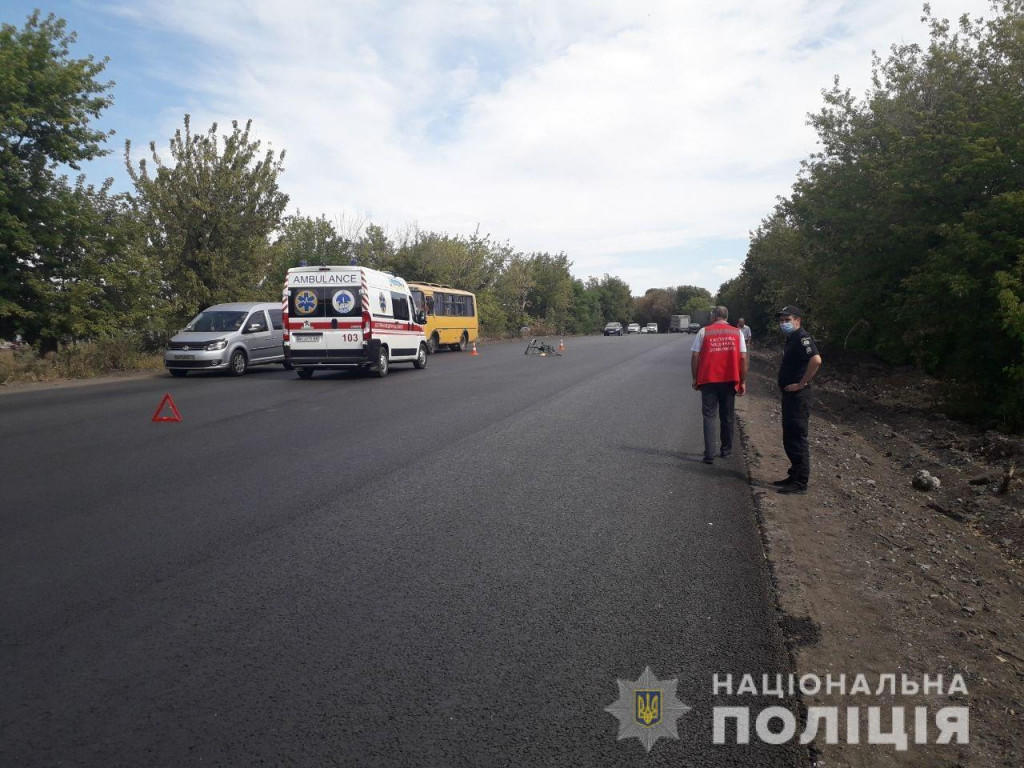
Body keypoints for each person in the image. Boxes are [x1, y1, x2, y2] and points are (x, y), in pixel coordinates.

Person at [774, 305, 822, 494]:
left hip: (798, 396)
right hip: (790, 395)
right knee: (789, 436)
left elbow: (816, 360)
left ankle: (800, 483)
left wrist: (801, 383)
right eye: (781, 320)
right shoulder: (791, 338)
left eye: (787, 320)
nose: (783, 323)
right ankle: (793, 475)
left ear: (797, 320)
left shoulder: (803, 338)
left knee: (797, 438)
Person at [691, 306, 748, 464]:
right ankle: (726, 450)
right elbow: (743, 358)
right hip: (730, 380)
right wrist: (742, 380)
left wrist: (695, 378)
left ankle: (709, 454)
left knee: (709, 416)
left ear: (714, 316)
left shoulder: (704, 332)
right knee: (727, 416)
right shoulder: (737, 333)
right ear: (726, 317)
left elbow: (695, 355)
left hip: (708, 381)